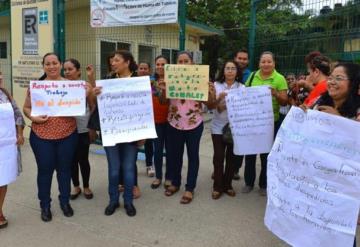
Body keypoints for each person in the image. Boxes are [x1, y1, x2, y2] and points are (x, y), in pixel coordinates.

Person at [302, 62, 360, 247]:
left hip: (344, 187)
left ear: (353, 83)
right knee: (312, 226)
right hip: (315, 181)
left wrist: (340, 121)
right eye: (331, 77)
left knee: (340, 232)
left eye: (339, 78)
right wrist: (302, 115)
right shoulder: (319, 101)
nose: (332, 82)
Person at [23, 53, 79, 222]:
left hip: (67, 134)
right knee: (45, 171)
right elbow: (26, 107)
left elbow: (81, 106)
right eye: (48, 64)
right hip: (41, 135)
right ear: (43, 66)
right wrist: (33, 118)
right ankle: (45, 205)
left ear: (60, 64)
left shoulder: (72, 86)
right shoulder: (37, 87)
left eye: (55, 63)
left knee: (64, 170)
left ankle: (65, 201)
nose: (52, 66)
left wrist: (88, 92)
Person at [92, 50, 143, 217]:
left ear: (127, 62)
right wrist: (95, 94)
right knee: (114, 169)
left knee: (128, 169)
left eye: (116, 60)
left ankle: (128, 201)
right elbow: (97, 105)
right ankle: (113, 200)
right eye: (112, 60)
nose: (112, 63)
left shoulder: (139, 82)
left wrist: (143, 134)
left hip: (131, 134)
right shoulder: (107, 81)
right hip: (111, 133)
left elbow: (145, 109)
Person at [163, 51, 216, 204]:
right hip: (174, 123)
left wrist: (211, 93)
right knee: (175, 155)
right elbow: (162, 101)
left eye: (186, 61)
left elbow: (211, 105)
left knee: (193, 156)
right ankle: (175, 183)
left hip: (194, 124)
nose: (183, 64)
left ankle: (189, 188)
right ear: (176, 64)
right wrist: (164, 90)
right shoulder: (170, 78)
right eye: (180, 61)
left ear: (192, 63)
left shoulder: (200, 79)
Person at [242, 51, 288, 196]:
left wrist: (276, 94)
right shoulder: (252, 76)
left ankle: (263, 184)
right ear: (259, 63)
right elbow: (243, 95)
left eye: (269, 61)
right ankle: (248, 183)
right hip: (252, 122)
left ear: (274, 63)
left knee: (266, 155)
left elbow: (284, 102)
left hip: (269, 123)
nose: (266, 64)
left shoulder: (279, 78)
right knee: (249, 154)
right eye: (263, 61)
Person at [208, 61, 243, 199]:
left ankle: (227, 185)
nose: (230, 71)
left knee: (231, 158)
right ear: (223, 71)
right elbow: (211, 106)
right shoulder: (216, 86)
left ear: (237, 72)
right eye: (227, 68)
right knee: (218, 157)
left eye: (233, 68)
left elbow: (245, 106)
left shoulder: (241, 87)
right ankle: (217, 186)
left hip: (235, 128)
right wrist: (219, 100)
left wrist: (232, 106)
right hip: (217, 127)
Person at [63, 58, 96, 200]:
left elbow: (93, 106)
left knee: (83, 159)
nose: (67, 72)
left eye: (70, 69)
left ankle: (86, 186)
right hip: (66, 130)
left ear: (78, 71)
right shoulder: (60, 86)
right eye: (65, 69)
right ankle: (76, 186)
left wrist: (91, 127)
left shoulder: (85, 86)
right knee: (71, 160)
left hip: (83, 129)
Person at [0, 86, 25, 229]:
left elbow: (18, 115)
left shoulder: (5, 94)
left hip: (6, 146)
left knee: (3, 179)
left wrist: (20, 134)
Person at [149, 56, 170, 189]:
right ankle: (158, 177)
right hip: (156, 121)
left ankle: (169, 177)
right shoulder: (150, 82)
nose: (160, 66)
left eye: (163, 64)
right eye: (158, 64)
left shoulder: (174, 80)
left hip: (171, 121)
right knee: (157, 150)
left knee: (171, 151)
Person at [233, 49, 251, 180]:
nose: (242, 61)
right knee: (224, 144)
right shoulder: (228, 70)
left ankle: (235, 169)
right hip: (226, 113)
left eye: (244, 59)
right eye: (240, 58)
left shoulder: (251, 75)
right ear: (235, 58)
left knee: (240, 144)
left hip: (243, 115)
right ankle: (221, 168)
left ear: (248, 61)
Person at [137, 62, 156, 177]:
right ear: (137, 70)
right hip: (133, 118)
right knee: (133, 143)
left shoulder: (153, 83)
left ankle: (149, 165)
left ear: (149, 71)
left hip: (148, 117)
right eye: (141, 68)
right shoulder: (131, 82)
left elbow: (156, 95)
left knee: (149, 142)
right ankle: (130, 165)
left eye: (145, 68)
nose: (143, 70)